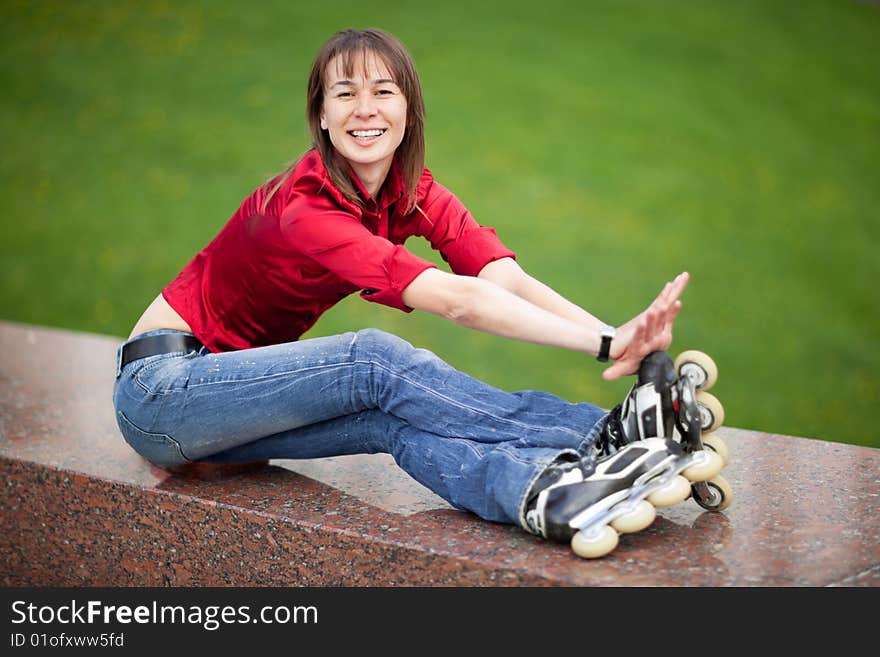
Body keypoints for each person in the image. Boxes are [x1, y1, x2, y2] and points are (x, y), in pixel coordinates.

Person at [113, 28, 708, 559]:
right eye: (344, 93)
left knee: (388, 420)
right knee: (373, 361)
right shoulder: (304, 208)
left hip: (226, 412)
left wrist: (621, 342)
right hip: (164, 391)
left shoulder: (410, 191)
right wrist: (608, 346)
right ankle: (600, 436)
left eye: (383, 92)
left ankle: (539, 491)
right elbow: (460, 302)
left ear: (409, 109)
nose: (364, 110)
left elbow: (502, 278)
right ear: (320, 115)